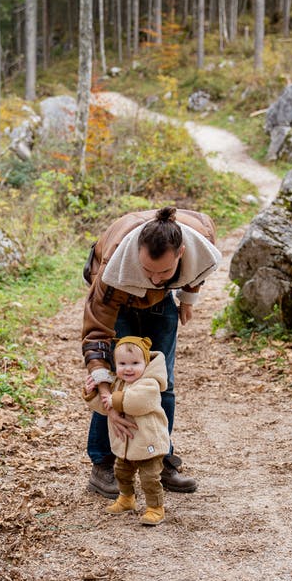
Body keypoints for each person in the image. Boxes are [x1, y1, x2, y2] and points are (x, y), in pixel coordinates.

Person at [82, 206, 221, 498]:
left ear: (181, 252)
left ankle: (159, 457)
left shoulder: (200, 238)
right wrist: (107, 394)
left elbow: (199, 267)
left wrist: (188, 297)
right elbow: (96, 333)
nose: (157, 279)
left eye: (165, 271)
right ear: (136, 257)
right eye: (149, 271)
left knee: (162, 381)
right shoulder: (112, 268)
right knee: (122, 377)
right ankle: (103, 463)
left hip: (161, 304)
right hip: (119, 298)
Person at [83, 336, 169, 526]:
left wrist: (114, 400)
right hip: (126, 445)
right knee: (121, 473)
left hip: (148, 443)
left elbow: (138, 403)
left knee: (150, 478)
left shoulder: (150, 384)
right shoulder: (117, 384)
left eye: (135, 363)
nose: (128, 368)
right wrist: (93, 394)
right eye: (122, 363)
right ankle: (126, 498)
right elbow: (105, 407)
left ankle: (155, 508)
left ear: (145, 363)